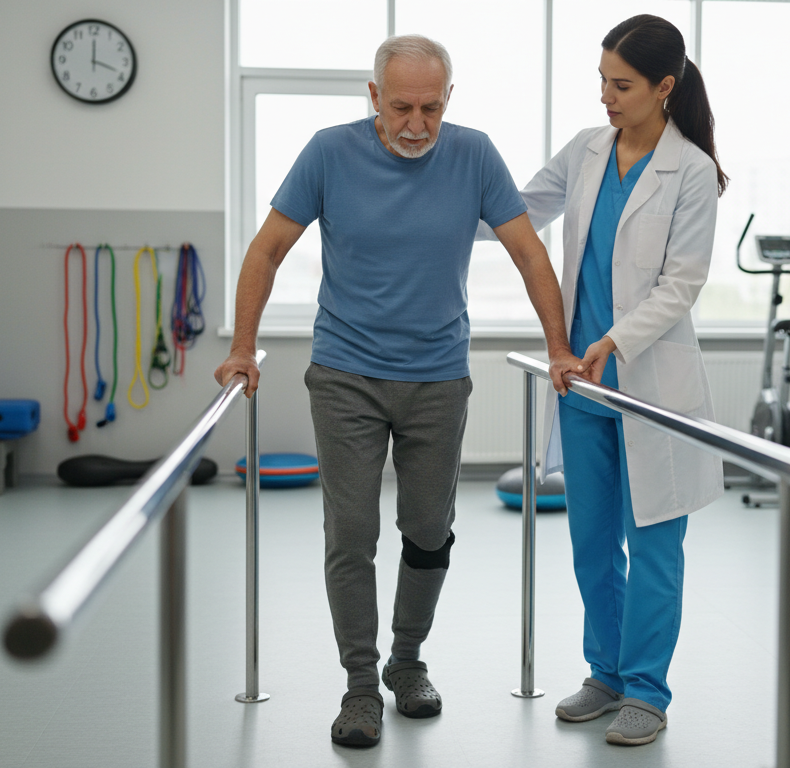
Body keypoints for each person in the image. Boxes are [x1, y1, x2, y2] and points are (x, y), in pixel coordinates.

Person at [214, 34, 580, 748]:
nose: (417, 124)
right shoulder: (328, 152)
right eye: (403, 107)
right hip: (346, 373)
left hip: (438, 377)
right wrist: (238, 347)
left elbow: (528, 252)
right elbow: (267, 249)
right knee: (350, 535)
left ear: (450, 100)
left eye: (431, 108)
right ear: (373, 97)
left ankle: (406, 663)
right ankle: (359, 687)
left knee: (428, 530)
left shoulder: (473, 154)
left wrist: (559, 349)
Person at [494, 14, 727, 746]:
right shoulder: (588, 150)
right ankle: (607, 672)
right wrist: (436, 200)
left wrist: (611, 340)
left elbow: (680, 285)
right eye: (600, 79)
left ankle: (648, 691)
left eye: (620, 84)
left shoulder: (691, 171)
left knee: (654, 543)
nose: (605, 96)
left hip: (649, 387)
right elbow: (517, 212)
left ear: (664, 88)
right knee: (593, 544)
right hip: (586, 391)